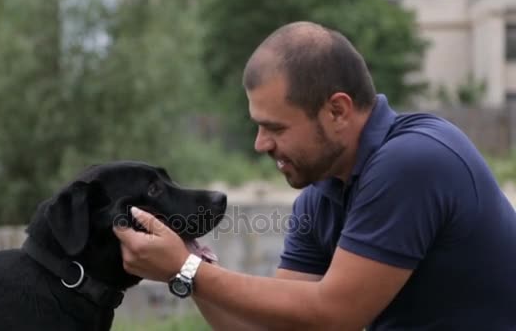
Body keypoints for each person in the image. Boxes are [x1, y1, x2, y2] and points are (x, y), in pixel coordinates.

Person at [113, 21, 516, 330]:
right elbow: (277, 325)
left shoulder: (414, 162)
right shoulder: (321, 196)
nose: (261, 144)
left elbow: (334, 313)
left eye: (276, 128)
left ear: (337, 111)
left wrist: (186, 269)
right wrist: (188, 259)